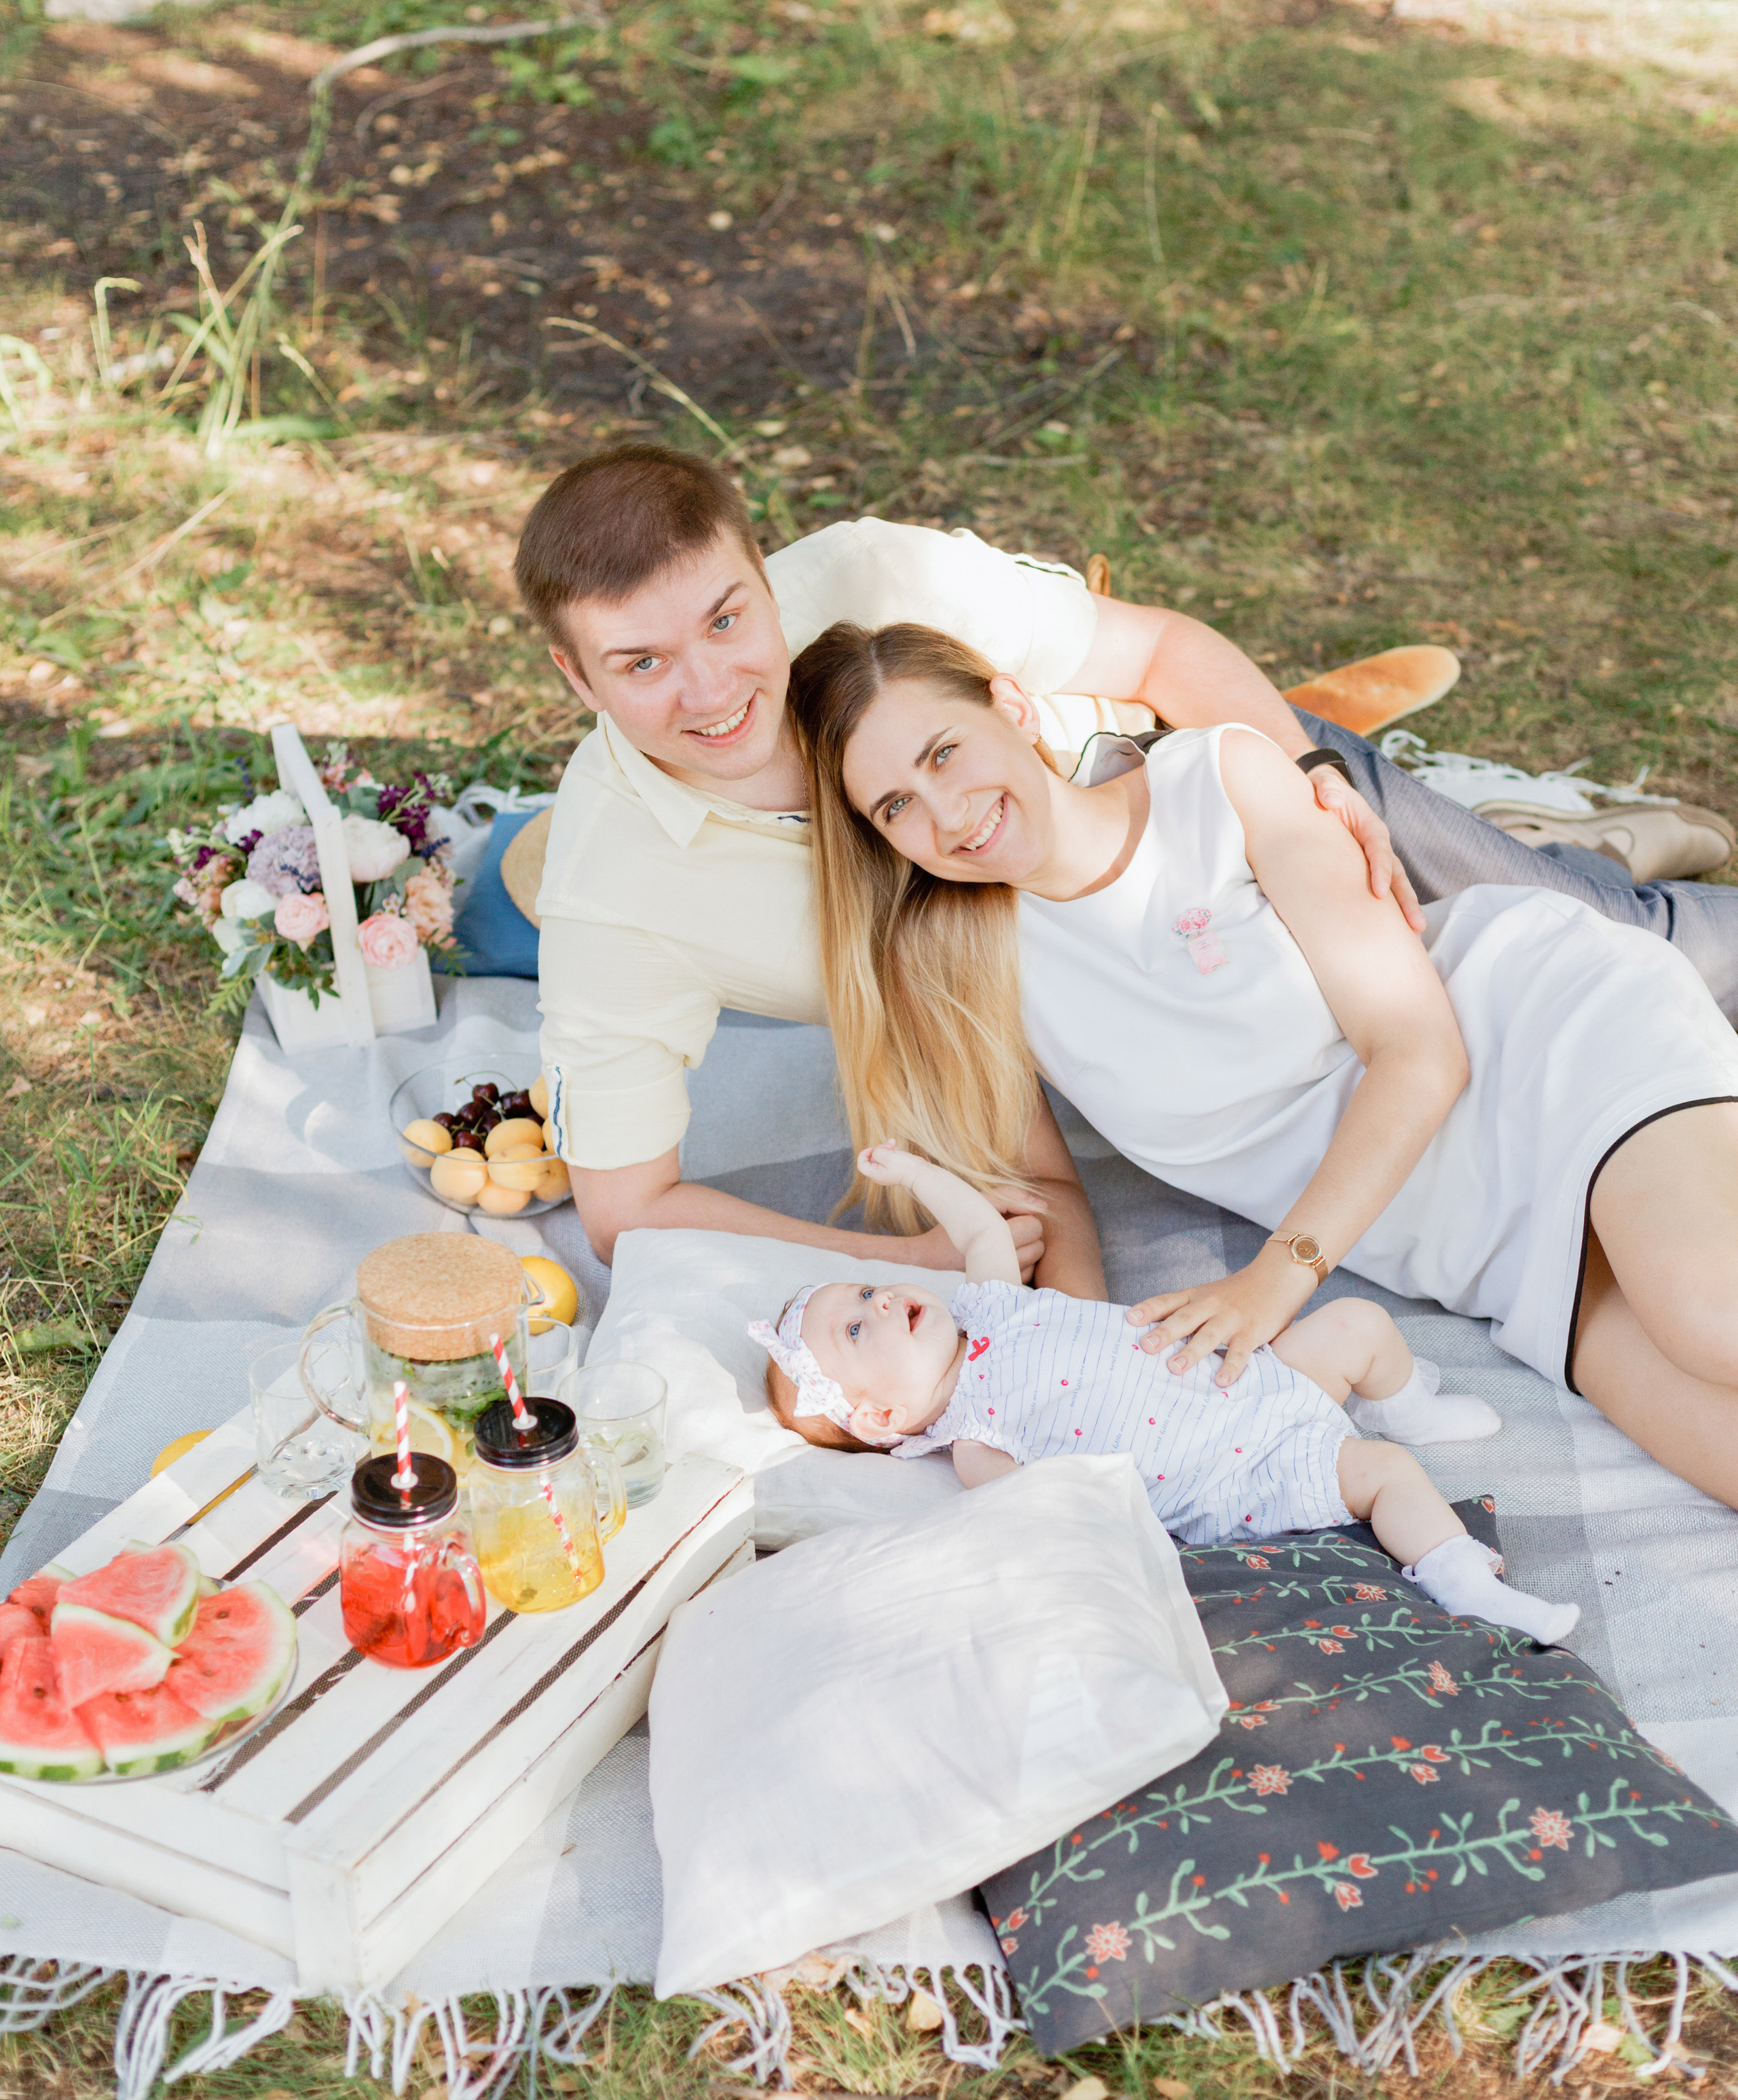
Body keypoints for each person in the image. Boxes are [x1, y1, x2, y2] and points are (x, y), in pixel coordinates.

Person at [514, 440, 1738, 1279]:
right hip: (1107, 994)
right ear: (573, 677)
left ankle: (1554, 853)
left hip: (1220, 807)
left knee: (1647, 948)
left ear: (761, 570)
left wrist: (1311, 781)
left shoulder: (871, 579)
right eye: (641, 664)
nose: (713, 686)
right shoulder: (612, 894)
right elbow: (630, 1211)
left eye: (728, 618)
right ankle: (1553, 840)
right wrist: (924, 1259)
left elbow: (1157, 653)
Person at [785, 622, 1738, 1510]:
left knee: (1707, 1317)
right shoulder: (961, 968)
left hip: (1542, 1041)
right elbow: (1045, 1190)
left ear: (1014, 708)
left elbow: (1418, 1051)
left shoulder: (1220, 780)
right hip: (1471, 1244)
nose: (947, 812)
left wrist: (1278, 1279)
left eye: (944, 751)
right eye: (897, 805)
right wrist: (1069, 1383)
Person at [752, 1143, 1580, 1647]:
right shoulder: (977, 1440)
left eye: (862, 1293)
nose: (875, 1302)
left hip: (1252, 1378)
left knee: (1357, 1323)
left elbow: (976, 1230)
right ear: (883, 1417)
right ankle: (1459, 1576)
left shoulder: (988, 1303)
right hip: (1236, 1469)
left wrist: (912, 1173)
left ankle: (1405, 1400)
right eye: (855, 1333)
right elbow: (1064, 1521)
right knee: (1384, 1470)